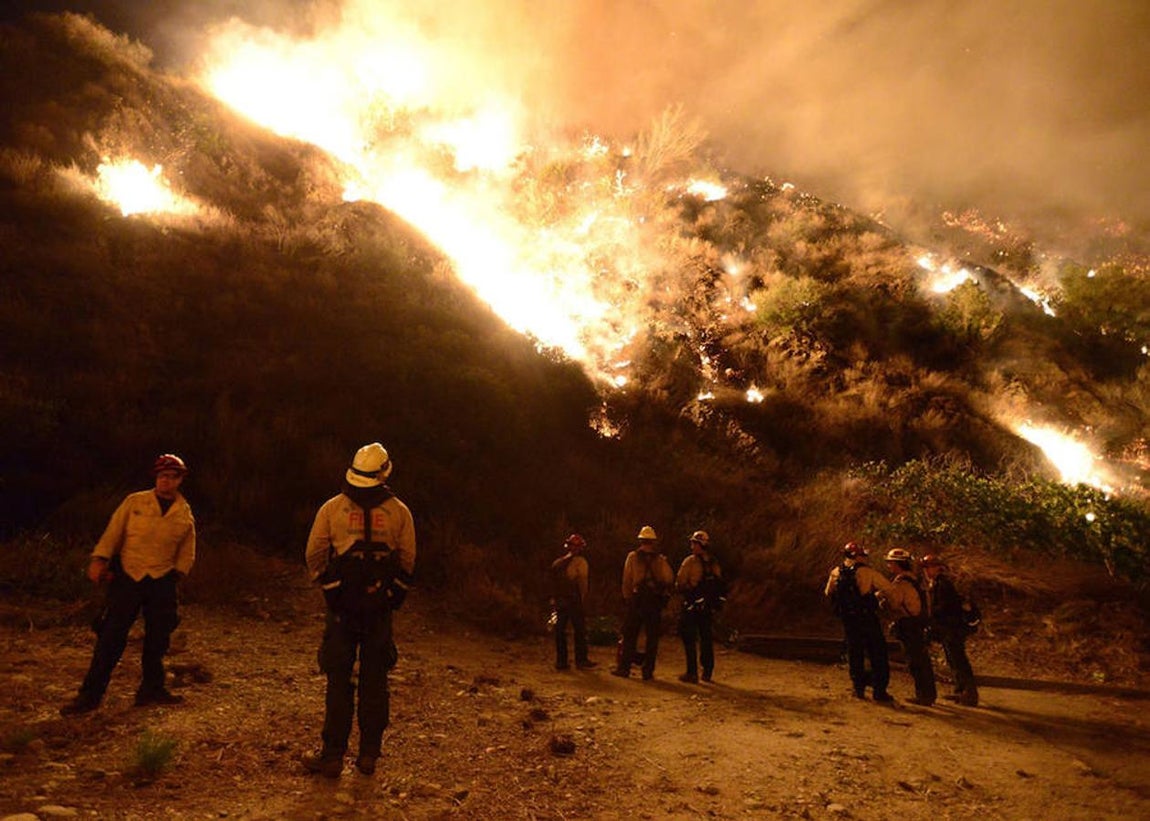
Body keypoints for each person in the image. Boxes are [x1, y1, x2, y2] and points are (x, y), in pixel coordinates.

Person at [302, 442, 416, 778]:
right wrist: (396, 594)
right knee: (375, 679)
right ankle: (368, 755)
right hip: (379, 607)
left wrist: (329, 588)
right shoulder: (399, 512)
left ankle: (333, 755)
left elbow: (314, 553)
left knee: (338, 679)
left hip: (343, 608)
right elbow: (408, 560)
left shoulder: (333, 508)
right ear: (384, 472)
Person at [61, 454, 196, 715]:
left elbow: (187, 549)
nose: (165, 481)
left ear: (180, 479)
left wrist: (177, 575)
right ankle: (89, 696)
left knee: (158, 639)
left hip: (162, 579)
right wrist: (100, 559)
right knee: (111, 637)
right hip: (129, 576)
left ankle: (151, 689)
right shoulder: (135, 502)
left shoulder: (184, 513)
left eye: (171, 476)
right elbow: (114, 532)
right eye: (161, 476)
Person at [824, 541, 894, 702]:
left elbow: (828, 592)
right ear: (859, 556)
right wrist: (876, 597)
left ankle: (858, 688)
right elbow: (889, 588)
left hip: (848, 619)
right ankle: (879, 691)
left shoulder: (836, 572)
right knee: (877, 653)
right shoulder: (867, 572)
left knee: (855, 652)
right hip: (867, 617)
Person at [612, 525, 674, 681]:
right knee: (652, 638)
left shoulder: (633, 557)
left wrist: (627, 598)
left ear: (640, 540)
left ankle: (624, 668)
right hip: (654, 601)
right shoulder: (660, 560)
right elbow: (669, 579)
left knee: (630, 635)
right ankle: (648, 671)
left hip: (637, 600)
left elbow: (626, 580)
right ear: (653, 542)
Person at [879, 548, 937, 706]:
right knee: (922, 659)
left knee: (915, 661)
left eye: (890, 563)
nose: (889, 566)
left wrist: (881, 601)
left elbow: (894, 603)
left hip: (909, 625)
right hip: (918, 623)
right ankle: (928, 694)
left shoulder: (902, 582)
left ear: (898, 564)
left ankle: (923, 695)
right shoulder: (916, 580)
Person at [921, 554, 980, 706]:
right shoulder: (938, 583)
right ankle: (960, 690)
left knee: (958, 660)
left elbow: (945, 607)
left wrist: (931, 615)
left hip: (952, 628)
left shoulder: (943, 584)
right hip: (949, 628)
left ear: (936, 567)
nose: (926, 571)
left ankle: (969, 693)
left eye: (928, 567)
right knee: (953, 659)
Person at [675, 530, 724, 683]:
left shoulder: (690, 562)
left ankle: (692, 672)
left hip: (691, 605)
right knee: (706, 638)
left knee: (689, 638)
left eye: (693, 543)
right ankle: (707, 671)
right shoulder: (714, 562)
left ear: (699, 545)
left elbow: (680, 582)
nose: (691, 546)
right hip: (707, 607)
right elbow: (719, 582)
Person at [549, 533, 597, 670]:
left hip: (560, 601)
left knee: (560, 631)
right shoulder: (580, 562)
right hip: (574, 601)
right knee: (580, 631)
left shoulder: (557, 563)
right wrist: (583, 598)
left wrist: (554, 599)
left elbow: (553, 583)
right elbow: (582, 582)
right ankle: (581, 660)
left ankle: (561, 661)